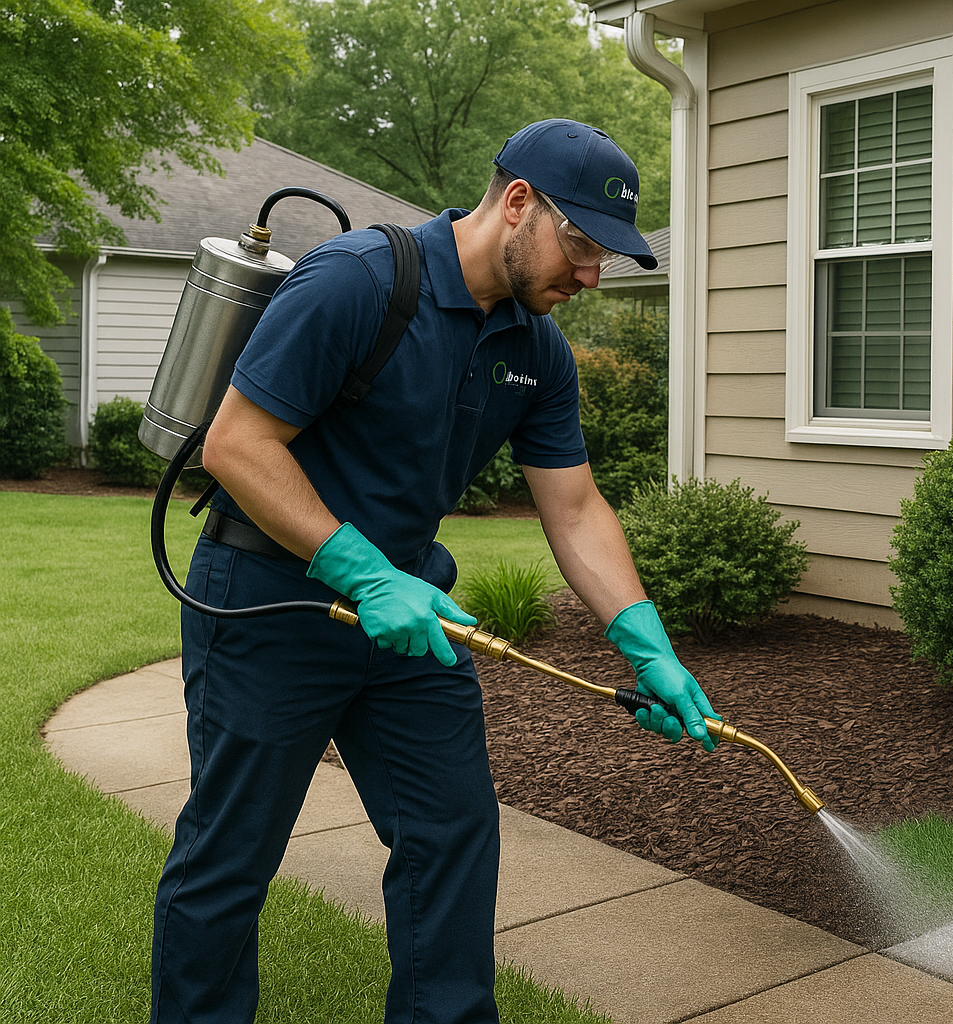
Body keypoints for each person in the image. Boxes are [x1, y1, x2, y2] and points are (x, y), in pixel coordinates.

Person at [149, 120, 716, 1024]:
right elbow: (236, 445)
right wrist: (366, 576)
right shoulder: (359, 281)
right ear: (518, 203)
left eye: (608, 257)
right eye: (583, 245)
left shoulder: (536, 350)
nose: (592, 275)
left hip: (414, 618)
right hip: (269, 603)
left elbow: (572, 507)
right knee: (232, 849)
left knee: (452, 835)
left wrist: (643, 641)